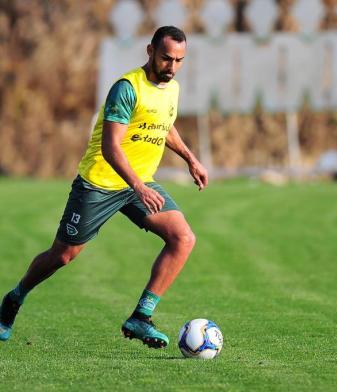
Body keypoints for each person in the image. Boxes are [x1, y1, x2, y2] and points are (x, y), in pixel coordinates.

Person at [0, 26, 208, 349]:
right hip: (100, 183)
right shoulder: (127, 88)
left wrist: (190, 159)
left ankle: (141, 316)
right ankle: (15, 297)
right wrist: (139, 186)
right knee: (63, 255)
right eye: (167, 58)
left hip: (139, 184)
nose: (172, 66)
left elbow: (163, 125)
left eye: (180, 60)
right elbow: (111, 148)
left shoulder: (172, 89)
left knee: (183, 238)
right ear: (150, 51)